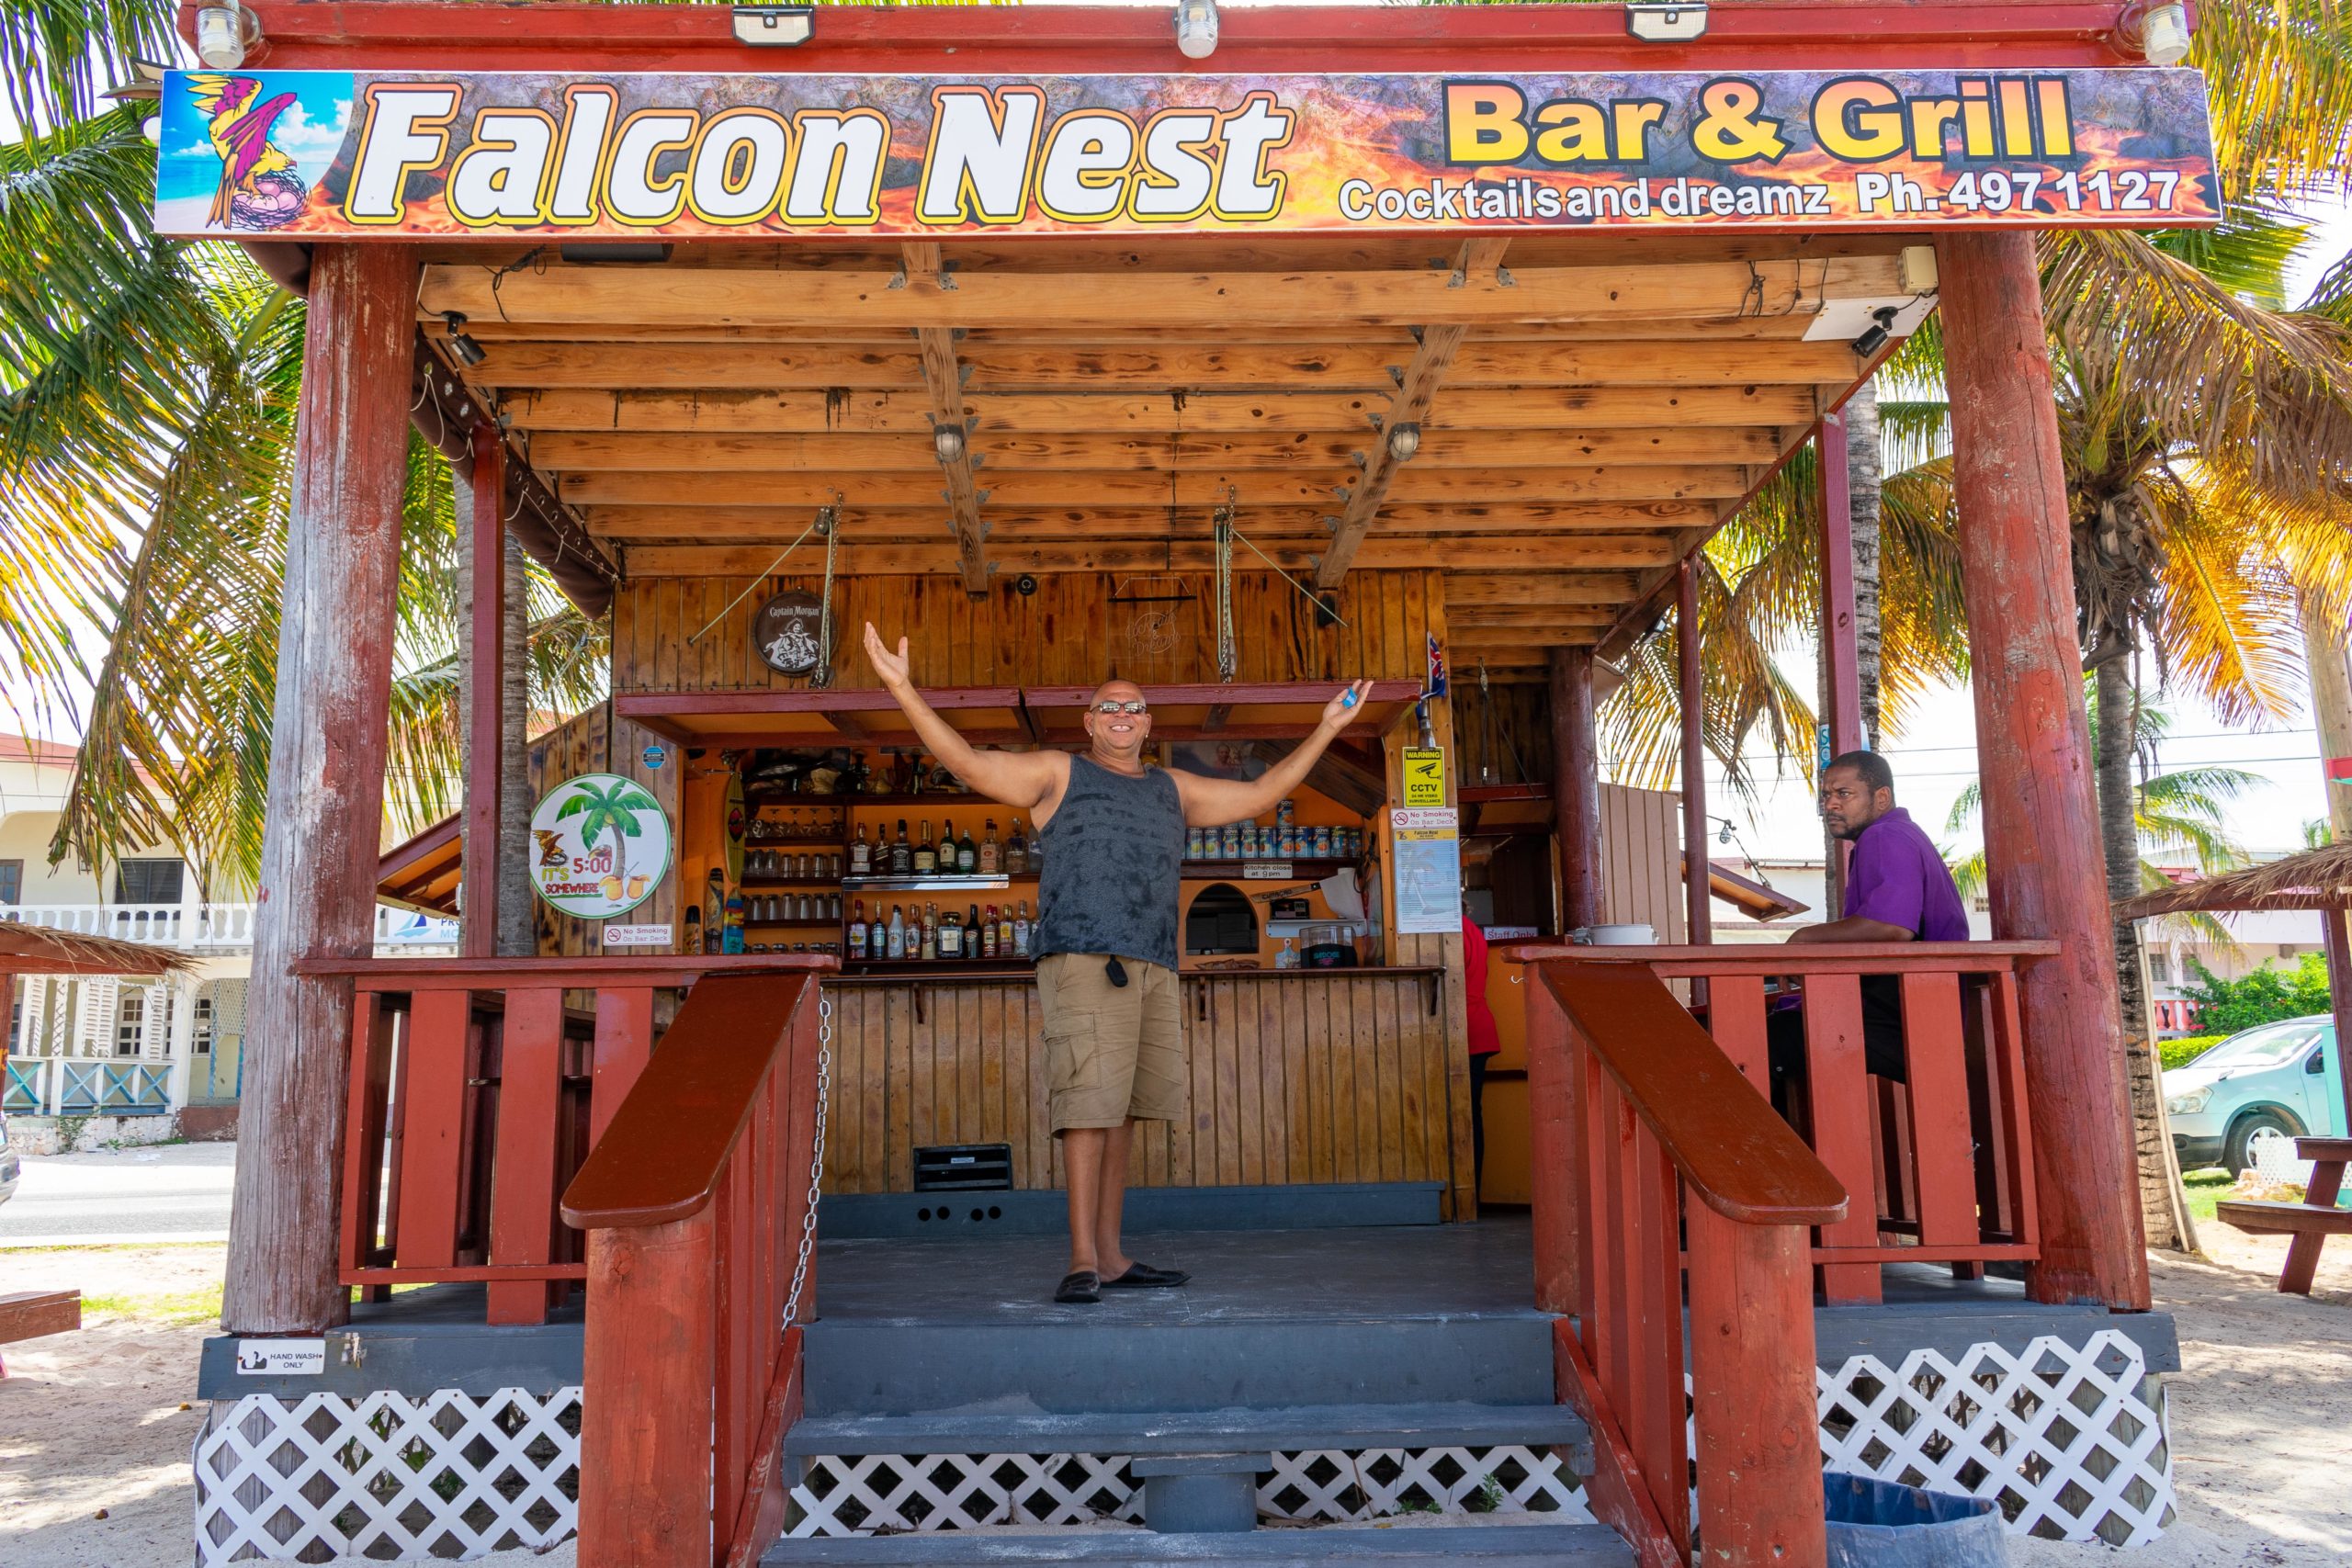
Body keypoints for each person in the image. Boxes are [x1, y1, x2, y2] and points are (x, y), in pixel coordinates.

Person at [864, 623, 1373, 1303]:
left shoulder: (1172, 788)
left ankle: (1110, 1254)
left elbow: (1259, 795)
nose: (1123, 714)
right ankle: (1080, 1258)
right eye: (1110, 705)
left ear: (1149, 721)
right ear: (1089, 721)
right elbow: (968, 763)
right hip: (1086, 956)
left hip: (1155, 963)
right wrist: (903, 688)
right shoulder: (1058, 772)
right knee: (1088, 1106)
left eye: (1133, 705)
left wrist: (1325, 729)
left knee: (1124, 1110)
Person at [1768, 750, 1969, 1110]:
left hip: (1906, 1018)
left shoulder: (1885, 835)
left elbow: (1892, 927)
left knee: (1763, 1040)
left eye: (1844, 794)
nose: (1830, 804)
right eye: (1826, 795)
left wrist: (1802, 939)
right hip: (1923, 1013)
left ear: (1881, 798)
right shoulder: (1897, 835)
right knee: (1780, 1028)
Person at [1461, 912, 1500, 1197]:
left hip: (1463, 1028)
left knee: (1462, 1114)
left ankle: (1466, 1195)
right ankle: (1471, 1193)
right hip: (1477, 1025)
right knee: (1471, 1112)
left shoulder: (1451, 929)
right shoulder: (1471, 929)